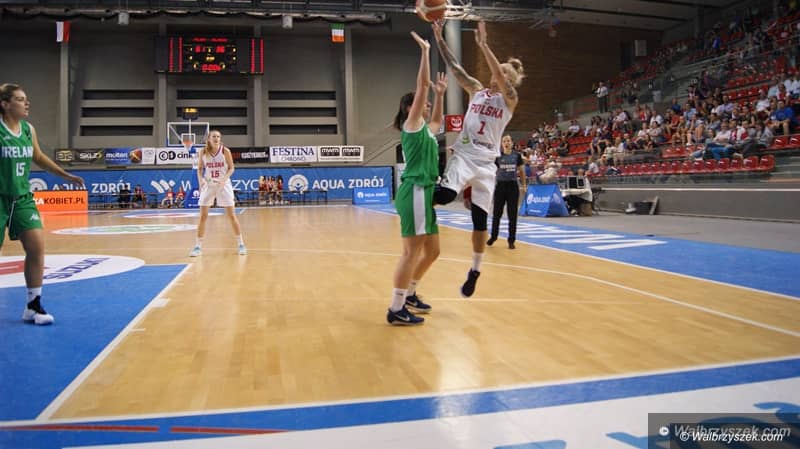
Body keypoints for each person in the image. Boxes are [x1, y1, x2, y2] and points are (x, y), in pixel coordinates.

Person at [431, 19, 524, 297]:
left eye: (504, 72)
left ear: (510, 80)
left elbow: (499, 75)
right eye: (499, 70)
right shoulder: (476, 89)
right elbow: (455, 68)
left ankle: (475, 270)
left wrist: (483, 45)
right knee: (445, 196)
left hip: (486, 165)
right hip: (465, 156)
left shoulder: (510, 99)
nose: (499, 73)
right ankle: (416, 206)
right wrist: (440, 39)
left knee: (480, 221)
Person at [0, 83, 85, 325]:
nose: (26, 103)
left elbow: (38, 156)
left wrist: (65, 175)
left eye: (25, 98)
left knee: (36, 247)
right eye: (19, 99)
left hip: (22, 198)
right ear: (4, 104)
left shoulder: (28, 129)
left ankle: (33, 305)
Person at [387, 31, 447, 326]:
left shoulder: (426, 130)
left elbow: (437, 121)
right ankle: (396, 308)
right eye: (423, 103)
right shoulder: (411, 125)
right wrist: (425, 52)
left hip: (426, 192)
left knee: (432, 251)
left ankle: (409, 295)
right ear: (410, 108)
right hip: (415, 190)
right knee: (411, 252)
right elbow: (422, 85)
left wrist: (441, 96)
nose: (427, 105)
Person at [189, 130, 246, 257]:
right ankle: (197, 247)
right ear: (209, 139)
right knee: (203, 217)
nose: (216, 138)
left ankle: (241, 244)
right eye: (214, 136)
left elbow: (231, 168)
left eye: (218, 136)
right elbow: (199, 169)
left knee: (232, 216)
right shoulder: (203, 152)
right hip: (209, 185)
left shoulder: (225, 151)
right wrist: (200, 181)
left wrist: (224, 179)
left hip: (223, 184)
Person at [486, 135, 526, 249]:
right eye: (504, 141)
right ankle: (493, 236)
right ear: (502, 144)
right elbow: (491, 170)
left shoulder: (517, 156)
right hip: (500, 187)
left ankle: (511, 240)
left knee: (512, 215)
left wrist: (524, 185)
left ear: (512, 143)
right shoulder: (497, 156)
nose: (506, 143)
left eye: (508, 141)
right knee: (497, 214)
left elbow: (521, 171)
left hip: (512, 187)